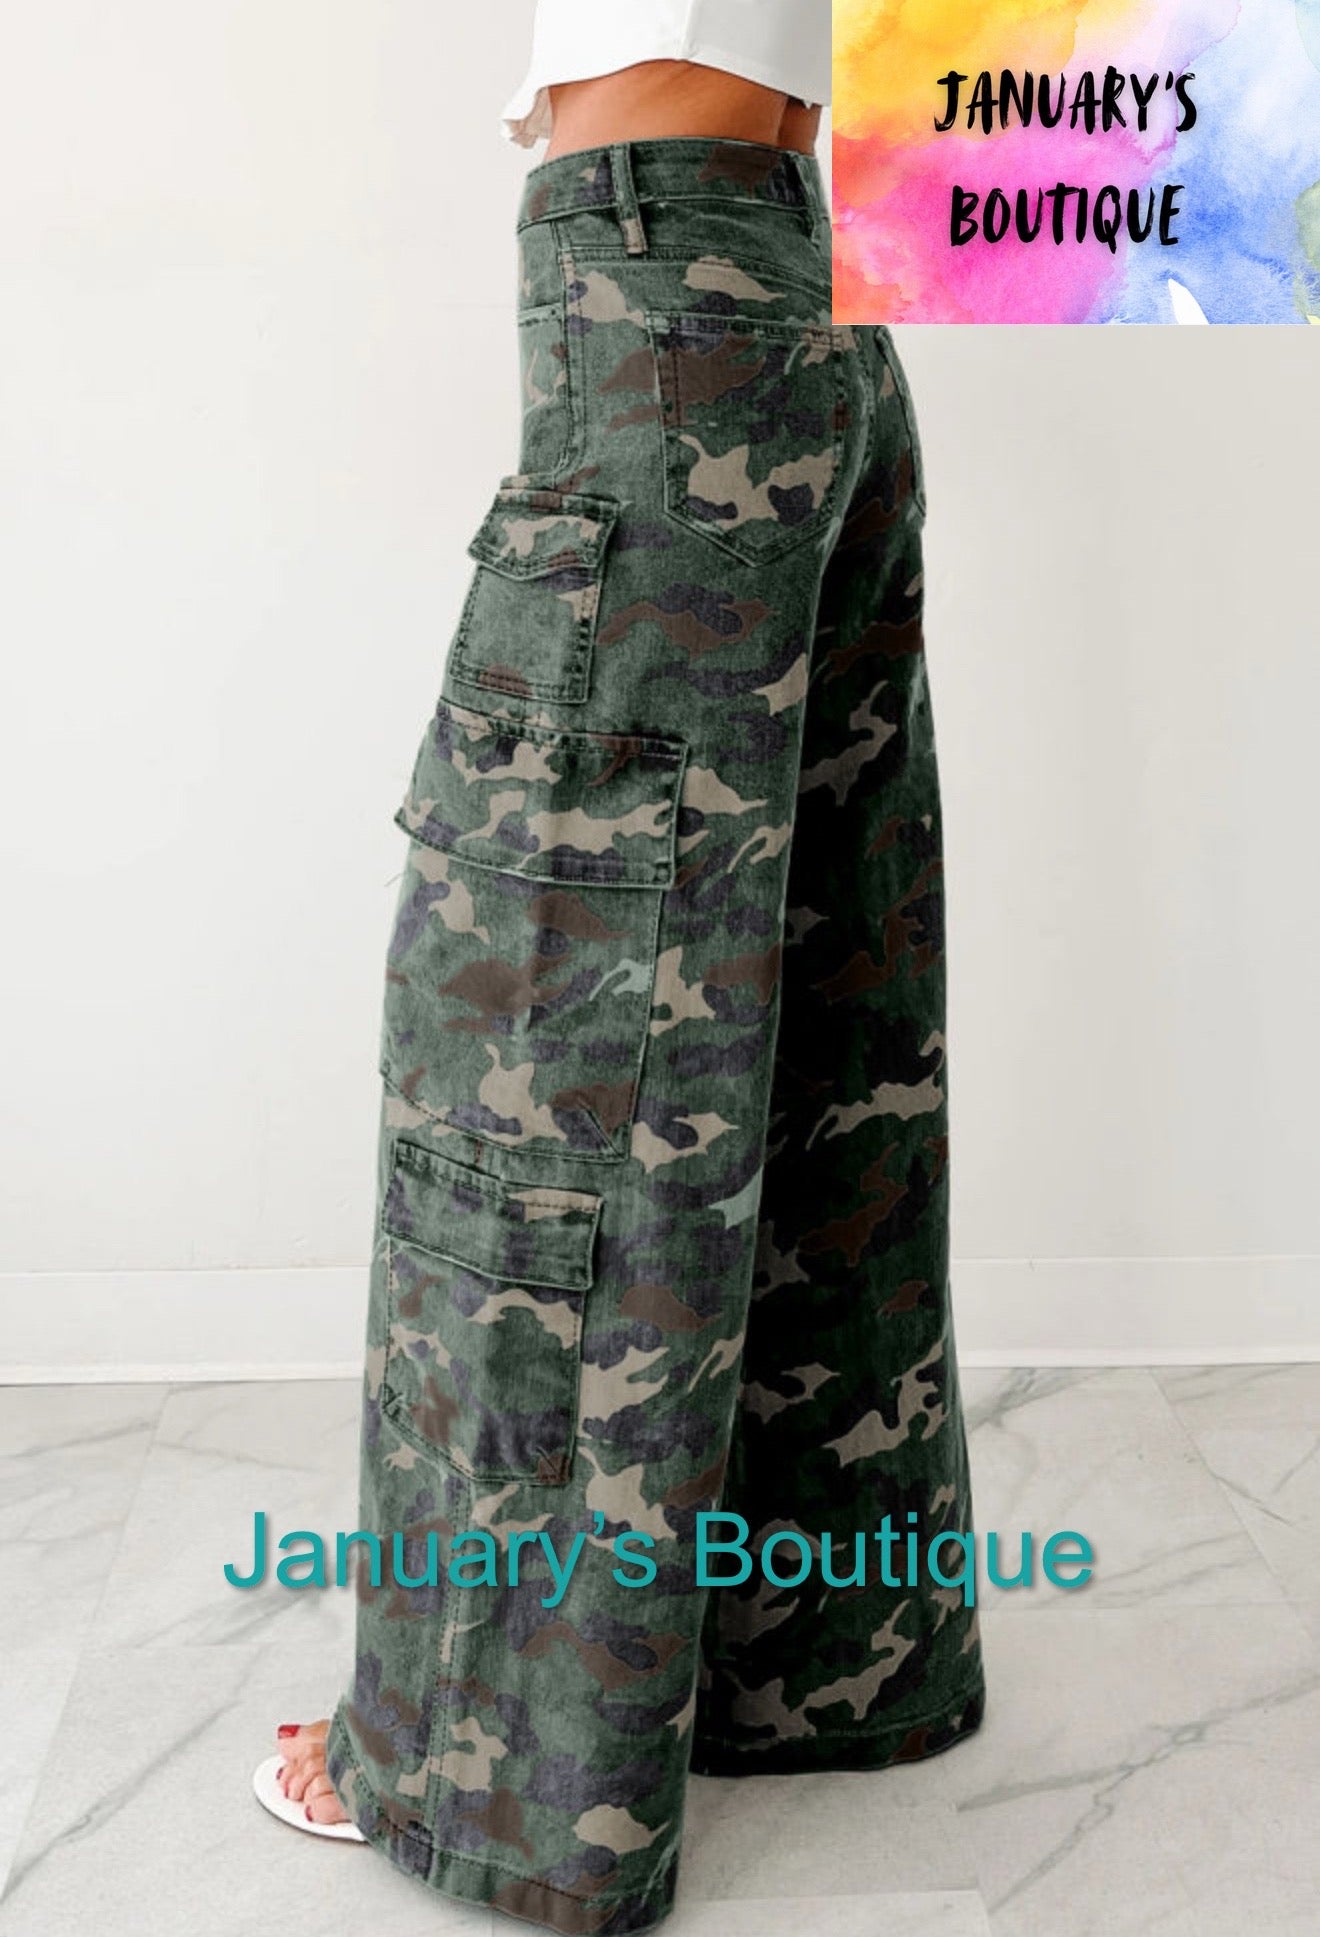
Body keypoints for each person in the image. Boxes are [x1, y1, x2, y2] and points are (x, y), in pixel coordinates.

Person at [265, 4, 986, 1929]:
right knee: (820, 1018)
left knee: (549, 1035)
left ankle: (491, 1771)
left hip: (661, 299)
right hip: (813, 290)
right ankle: (817, 1662)